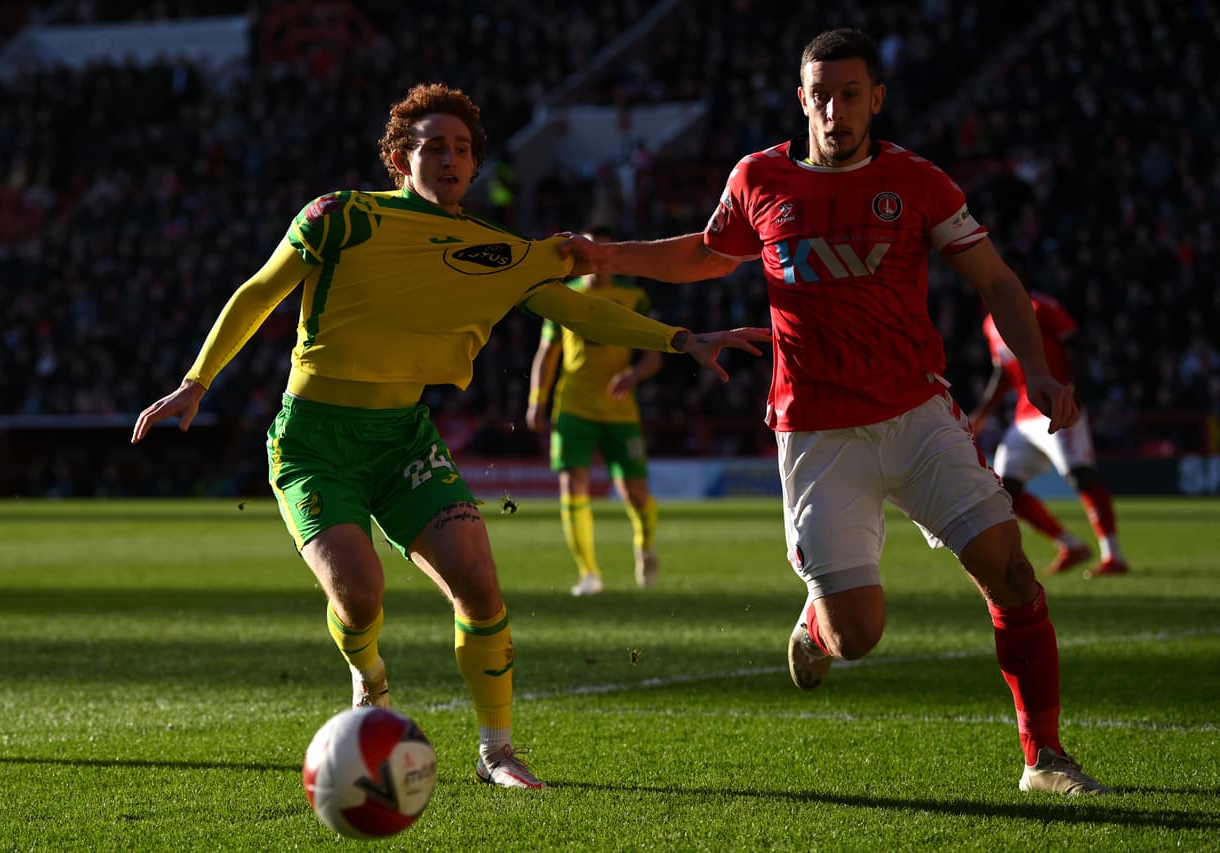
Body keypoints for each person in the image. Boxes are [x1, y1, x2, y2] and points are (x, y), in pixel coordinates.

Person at [130, 82, 769, 791]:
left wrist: (683, 338)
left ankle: (497, 751)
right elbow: (259, 290)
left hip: (404, 437)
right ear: (401, 158)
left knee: (478, 580)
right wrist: (197, 379)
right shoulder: (341, 216)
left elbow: (582, 314)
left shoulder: (501, 251)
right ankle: (369, 678)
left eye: (463, 148)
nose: (451, 157)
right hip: (314, 439)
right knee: (360, 594)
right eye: (434, 145)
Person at [560, 29, 1108, 795]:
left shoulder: (918, 182)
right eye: (821, 94)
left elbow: (996, 280)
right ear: (802, 99)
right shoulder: (759, 177)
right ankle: (817, 628)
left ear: (875, 99)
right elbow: (708, 254)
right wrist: (609, 256)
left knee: (1012, 572)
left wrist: (1040, 371)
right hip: (816, 432)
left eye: (850, 94)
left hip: (918, 415)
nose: (834, 108)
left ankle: (1043, 755)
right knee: (860, 633)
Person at [526, 225, 664, 596]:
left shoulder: (633, 297)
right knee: (572, 484)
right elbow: (547, 353)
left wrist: (633, 374)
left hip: (620, 411)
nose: (597, 263)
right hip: (572, 407)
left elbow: (654, 355)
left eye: (604, 254)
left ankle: (645, 544)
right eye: (591, 254)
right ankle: (588, 573)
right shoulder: (562, 297)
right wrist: (536, 401)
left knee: (634, 492)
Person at [969, 291, 1130, 579]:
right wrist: (982, 414)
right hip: (1022, 417)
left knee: (1081, 476)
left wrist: (1076, 392)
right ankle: (1071, 546)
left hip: (1056, 404)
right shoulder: (990, 324)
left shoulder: (1039, 307)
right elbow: (1002, 375)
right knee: (1005, 491)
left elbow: (1076, 343)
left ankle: (1113, 556)